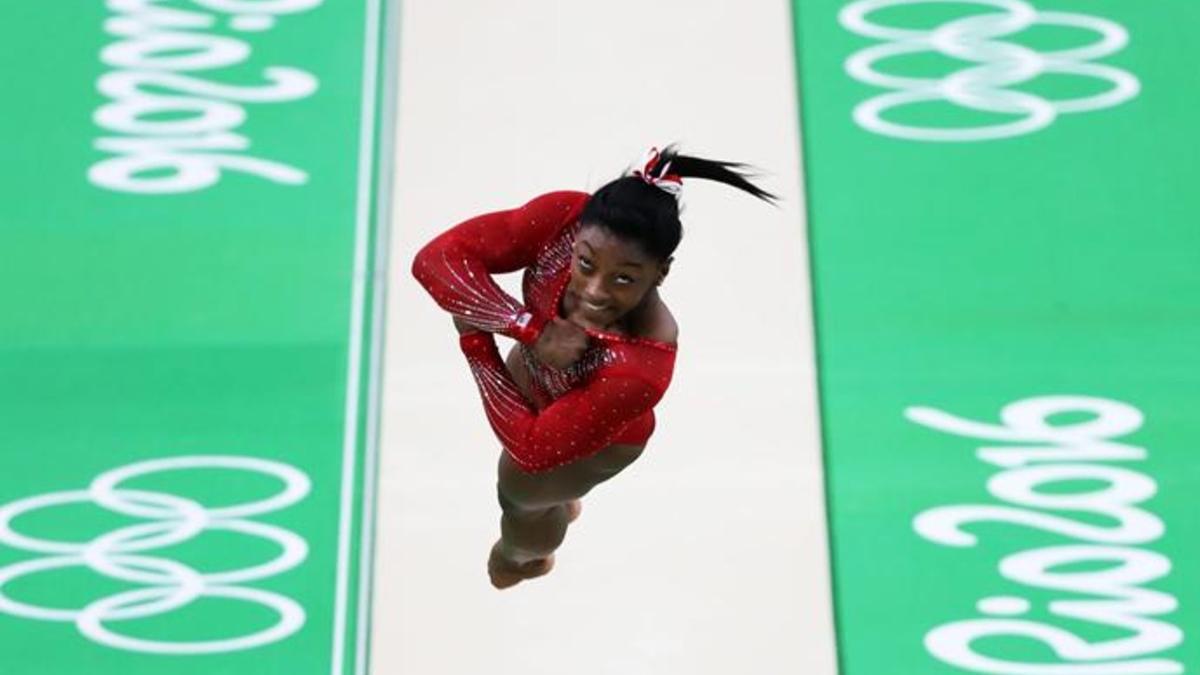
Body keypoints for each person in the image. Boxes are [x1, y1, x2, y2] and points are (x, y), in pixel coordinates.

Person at [411, 146, 774, 589]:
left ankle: (526, 559)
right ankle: (559, 499)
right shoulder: (564, 218)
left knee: (518, 497)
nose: (595, 292)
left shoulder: (643, 363)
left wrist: (475, 342)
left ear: (661, 273)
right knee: (539, 475)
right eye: (585, 264)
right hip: (537, 367)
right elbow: (436, 260)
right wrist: (528, 327)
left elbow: (532, 450)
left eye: (625, 278)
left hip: (600, 441)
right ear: (579, 237)